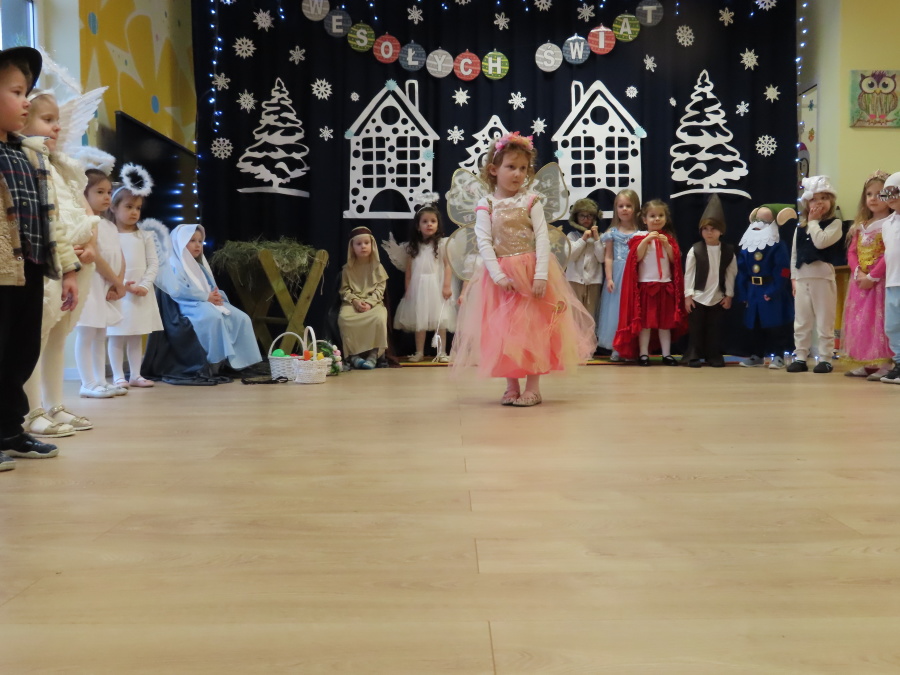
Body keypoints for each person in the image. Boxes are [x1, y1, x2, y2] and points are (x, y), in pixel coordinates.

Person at [450, 131, 596, 406]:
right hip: (501, 278)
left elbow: (542, 238)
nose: (517, 174)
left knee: (533, 330)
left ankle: (533, 387)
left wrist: (540, 275)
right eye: (510, 167)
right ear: (494, 170)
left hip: (531, 272)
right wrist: (498, 275)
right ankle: (511, 386)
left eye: (523, 168)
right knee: (506, 333)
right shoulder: (486, 204)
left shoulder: (531, 201)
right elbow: (484, 242)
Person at [1, 47, 80, 469]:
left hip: (29, 270)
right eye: (16, 92)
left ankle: (10, 430)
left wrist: (68, 269)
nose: (25, 101)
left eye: (26, 92)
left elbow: (53, 222)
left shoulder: (31, 154)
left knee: (21, 351)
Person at [19, 90, 103, 434]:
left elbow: (85, 211)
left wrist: (90, 247)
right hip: (46, 262)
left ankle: (55, 404)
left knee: (57, 336)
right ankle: (31, 410)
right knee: (34, 338)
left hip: (75, 264)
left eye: (57, 121)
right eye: (47, 120)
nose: (56, 127)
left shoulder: (63, 167)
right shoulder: (25, 162)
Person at [157, 223, 262, 370]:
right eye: (192, 241)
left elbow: (211, 287)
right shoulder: (173, 265)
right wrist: (206, 297)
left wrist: (217, 296)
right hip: (189, 305)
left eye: (200, 241)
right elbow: (179, 291)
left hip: (207, 302)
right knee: (214, 318)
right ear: (180, 242)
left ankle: (241, 363)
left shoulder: (199, 267)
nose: (197, 245)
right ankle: (214, 363)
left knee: (242, 318)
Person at [105, 167, 163, 387]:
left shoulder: (145, 236)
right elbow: (107, 264)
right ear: (113, 207)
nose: (134, 212)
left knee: (136, 334)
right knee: (117, 334)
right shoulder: (109, 235)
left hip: (139, 293)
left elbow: (153, 263)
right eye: (128, 207)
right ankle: (118, 376)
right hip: (118, 292)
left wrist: (145, 285)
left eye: (137, 208)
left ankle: (136, 375)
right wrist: (119, 284)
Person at [612, 199, 686, 365]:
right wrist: (646, 241)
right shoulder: (639, 237)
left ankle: (666, 354)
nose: (657, 219)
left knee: (665, 324)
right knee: (645, 324)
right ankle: (643, 354)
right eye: (652, 216)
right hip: (646, 286)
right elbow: (636, 258)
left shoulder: (669, 239)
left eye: (660, 215)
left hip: (665, 286)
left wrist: (666, 245)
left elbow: (674, 260)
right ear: (644, 219)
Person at [75, 169, 126, 398]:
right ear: (84, 194)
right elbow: (96, 257)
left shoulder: (110, 225)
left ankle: (100, 381)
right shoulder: (86, 223)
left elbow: (120, 256)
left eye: (109, 192)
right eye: (100, 192)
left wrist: (118, 283)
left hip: (106, 285)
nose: (107, 197)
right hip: (90, 283)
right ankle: (87, 383)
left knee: (100, 334)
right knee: (87, 333)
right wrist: (115, 281)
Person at [787, 175, 844, 373]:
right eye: (814, 199)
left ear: (831, 201)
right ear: (807, 203)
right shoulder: (800, 228)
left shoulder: (835, 224)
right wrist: (794, 279)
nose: (819, 203)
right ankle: (800, 356)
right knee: (802, 321)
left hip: (823, 278)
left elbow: (821, 242)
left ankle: (826, 357)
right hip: (802, 278)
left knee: (825, 320)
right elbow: (794, 255)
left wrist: (813, 222)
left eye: (824, 198)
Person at [840, 171, 893, 379]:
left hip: (879, 282)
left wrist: (873, 276)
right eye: (869, 194)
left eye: (879, 194)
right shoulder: (861, 226)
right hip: (860, 283)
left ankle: (885, 363)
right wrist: (858, 272)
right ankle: (866, 362)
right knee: (860, 322)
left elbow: (889, 254)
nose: (873, 199)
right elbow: (852, 252)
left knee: (879, 322)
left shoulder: (890, 224)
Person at [391, 205, 456, 363]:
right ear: (418, 226)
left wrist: (446, 285)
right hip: (418, 287)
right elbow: (409, 271)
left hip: (436, 286)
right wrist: (408, 290)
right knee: (419, 321)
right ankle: (419, 352)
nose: (429, 224)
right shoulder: (412, 247)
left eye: (433, 221)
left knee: (440, 320)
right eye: (425, 221)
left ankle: (442, 352)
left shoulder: (442, 244)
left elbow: (448, 266)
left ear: (438, 225)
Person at [735, 205, 795, 369]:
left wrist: (774, 290)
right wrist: (743, 293)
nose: (758, 223)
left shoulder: (778, 245)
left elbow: (783, 270)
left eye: (763, 220)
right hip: (753, 291)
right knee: (754, 324)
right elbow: (741, 271)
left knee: (775, 325)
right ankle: (757, 355)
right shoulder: (747, 246)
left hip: (770, 289)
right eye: (756, 220)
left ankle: (778, 355)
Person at [682, 195, 737, 368]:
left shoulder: (728, 251)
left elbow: (731, 274)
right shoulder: (695, 250)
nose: (709, 232)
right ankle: (693, 355)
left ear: (721, 230)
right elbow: (689, 274)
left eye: (713, 229)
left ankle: (713, 355)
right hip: (698, 297)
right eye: (705, 229)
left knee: (714, 329)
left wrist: (729, 295)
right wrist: (688, 295)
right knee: (696, 329)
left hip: (717, 297)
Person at [598, 189, 641, 361]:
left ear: (635, 208)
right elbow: (608, 257)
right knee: (615, 312)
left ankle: (630, 347)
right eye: (620, 206)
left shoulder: (640, 233)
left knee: (631, 312)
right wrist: (609, 278)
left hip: (634, 276)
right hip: (617, 275)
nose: (624, 209)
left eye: (628, 206)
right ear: (616, 208)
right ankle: (617, 347)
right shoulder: (612, 232)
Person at [338, 226, 389, 369]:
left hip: (374, 303)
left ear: (372, 245)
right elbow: (344, 290)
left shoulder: (378, 267)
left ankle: (373, 355)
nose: (363, 246)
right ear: (352, 247)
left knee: (379, 318)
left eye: (366, 243)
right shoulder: (347, 269)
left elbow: (380, 289)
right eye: (359, 244)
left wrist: (370, 303)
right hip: (352, 304)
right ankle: (353, 356)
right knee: (344, 319)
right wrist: (355, 301)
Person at [876, 172, 900, 384]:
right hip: (892, 282)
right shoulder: (887, 224)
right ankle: (899, 363)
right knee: (892, 326)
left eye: (894, 192)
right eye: (886, 194)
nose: (890, 198)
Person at [564, 198, 604, 320]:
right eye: (582, 216)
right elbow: (571, 255)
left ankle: (591, 334)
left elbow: (602, 258)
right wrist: (583, 239)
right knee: (575, 316)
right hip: (574, 281)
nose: (586, 219)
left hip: (593, 282)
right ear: (576, 217)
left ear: (594, 218)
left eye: (589, 216)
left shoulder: (600, 237)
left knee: (590, 316)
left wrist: (596, 239)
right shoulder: (571, 236)